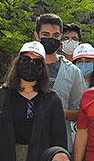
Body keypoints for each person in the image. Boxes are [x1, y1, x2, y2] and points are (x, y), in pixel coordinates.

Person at [35, 13, 86, 144]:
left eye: (55, 35)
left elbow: (80, 112)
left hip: (59, 143)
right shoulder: (24, 66)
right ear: (36, 35)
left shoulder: (73, 72)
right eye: (46, 35)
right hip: (27, 141)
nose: (51, 39)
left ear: (60, 37)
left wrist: (61, 113)